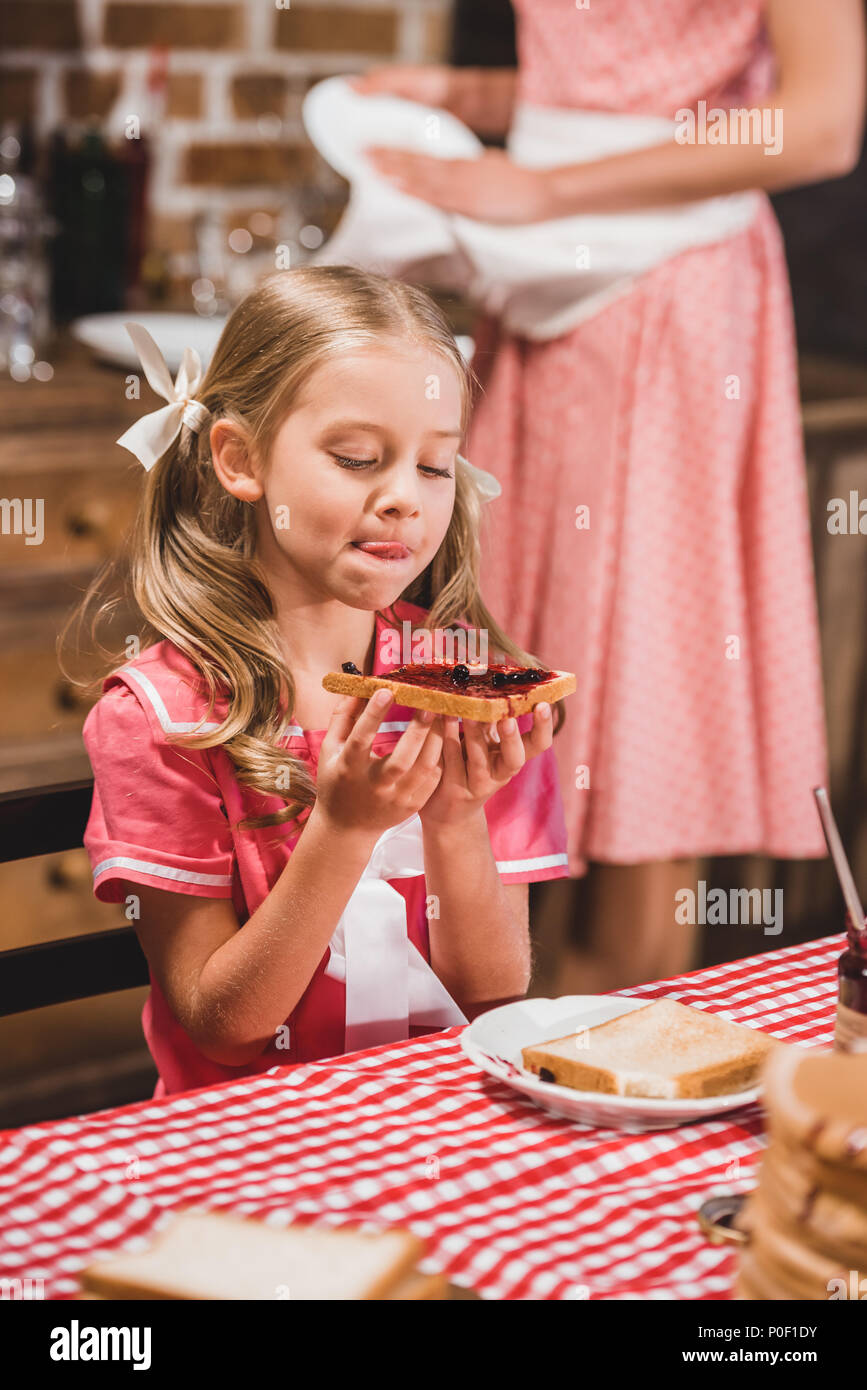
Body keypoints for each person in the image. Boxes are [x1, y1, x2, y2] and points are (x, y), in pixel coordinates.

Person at [352, 0, 865, 992]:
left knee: (650, 672)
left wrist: (542, 188)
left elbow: (819, 123)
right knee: (505, 647)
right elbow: (625, 84)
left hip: (667, 291)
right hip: (541, 295)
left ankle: (624, 1050)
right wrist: (464, 99)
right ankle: (497, 1032)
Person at [74, 265, 569, 1098]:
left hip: (432, 1128)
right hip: (246, 1143)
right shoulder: (165, 716)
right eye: (356, 458)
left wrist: (455, 818)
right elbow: (223, 1028)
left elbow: (494, 997)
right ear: (241, 458)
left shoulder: (473, 693)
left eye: (436, 467)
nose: (403, 500)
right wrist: (341, 829)